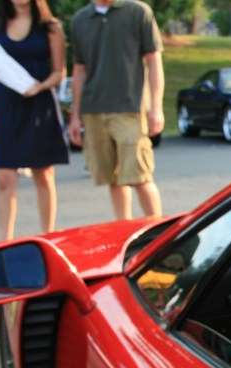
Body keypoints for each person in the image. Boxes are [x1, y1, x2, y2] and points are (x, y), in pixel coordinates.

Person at [0, 0, 69, 241]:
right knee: (5, 179)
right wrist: (0, 66)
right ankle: (4, 243)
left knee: (44, 176)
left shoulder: (50, 27)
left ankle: (49, 237)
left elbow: (59, 72)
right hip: (6, 105)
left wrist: (41, 86)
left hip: (38, 104)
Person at [69, 0, 164, 220]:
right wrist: (75, 116)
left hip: (130, 108)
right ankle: (124, 229)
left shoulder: (138, 12)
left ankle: (160, 231)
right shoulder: (80, 20)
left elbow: (154, 60)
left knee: (140, 175)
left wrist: (156, 107)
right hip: (94, 109)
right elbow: (80, 70)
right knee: (113, 178)